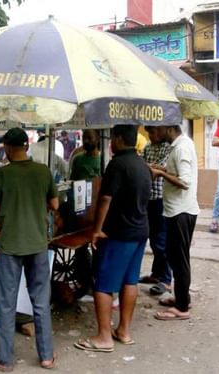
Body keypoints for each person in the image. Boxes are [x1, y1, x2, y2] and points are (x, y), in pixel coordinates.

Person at [0, 128, 58, 371]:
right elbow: (54, 204)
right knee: (40, 301)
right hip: (37, 244)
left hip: (11, 246)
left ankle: (4, 360)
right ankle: (46, 357)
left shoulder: (1, 175)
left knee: (6, 303)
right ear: (26, 146)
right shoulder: (43, 171)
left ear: (7, 147)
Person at [75, 125, 150, 353]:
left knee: (104, 284)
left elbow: (105, 199)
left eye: (111, 139)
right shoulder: (142, 165)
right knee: (130, 281)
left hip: (119, 233)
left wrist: (97, 229)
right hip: (140, 231)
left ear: (117, 139)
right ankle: (124, 331)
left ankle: (104, 337)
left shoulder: (117, 164)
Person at [149, 125, 198, 322]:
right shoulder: (178, 146)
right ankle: (181, 297)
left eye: (158, 130)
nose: (155, 134)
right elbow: (177, 173)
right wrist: (163, 168)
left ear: (169, 129)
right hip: (175, 211)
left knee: (179, 260)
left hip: (181, 211)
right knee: (175, 256)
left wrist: (160, 174)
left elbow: (184, 181)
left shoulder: (181, 148)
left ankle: (182, 307)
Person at [139, 126, 172, 296]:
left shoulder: (169, 148)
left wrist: (150, 167)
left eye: (153, 132)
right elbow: (143, 167)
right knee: (152, 239)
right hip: (148, 198)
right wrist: (152, 168)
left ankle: (166, 280)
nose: (151, 135)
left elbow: (163, 168)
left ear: (162, 131)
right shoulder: (148, 148)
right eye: (150, 132)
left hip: (161, 199)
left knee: (161, 240)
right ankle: (156, 274)